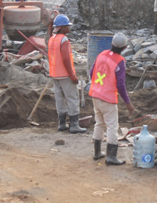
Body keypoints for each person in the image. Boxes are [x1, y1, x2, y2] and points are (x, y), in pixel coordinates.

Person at [89, 33, 135, 165]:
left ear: (112, 44)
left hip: (95, 94)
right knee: (112, 127)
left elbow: (92, 72)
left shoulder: (101, 54)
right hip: (108, 98)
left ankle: (97, 152)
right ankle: (111, 156)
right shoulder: (120, 61)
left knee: (99, 123)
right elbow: (120, 84)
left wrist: (98, 85)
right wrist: (128, 103)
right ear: (125, 48)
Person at [48, 14, 86, 134]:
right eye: (67, 26)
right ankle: (74, 125)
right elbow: (66, 59)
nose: (69, 28)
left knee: (59, 99)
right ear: (61, 27)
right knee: (72, 98)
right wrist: (72, 75)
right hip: (65, 74)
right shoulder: (64, 40)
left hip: (55, 74)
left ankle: (62, 124)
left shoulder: (52, 39)